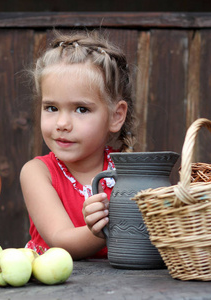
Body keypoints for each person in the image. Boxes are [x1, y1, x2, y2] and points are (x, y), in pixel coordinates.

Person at [20, 31, 136, 260]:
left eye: (81, 109)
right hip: (53, 288)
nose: (62, 124)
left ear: (116, 116)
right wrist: (106, 227)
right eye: (51, 108)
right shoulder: (38, 173)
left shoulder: (129, 172)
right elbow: (60, 239)